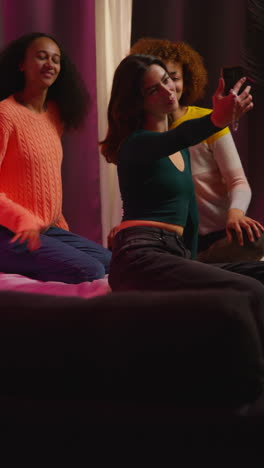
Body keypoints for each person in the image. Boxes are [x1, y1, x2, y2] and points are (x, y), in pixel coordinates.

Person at [100, 54, 264, 339]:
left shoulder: (180, 150)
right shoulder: (135, 145)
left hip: (175, 253)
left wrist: (195, 266)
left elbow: (191, 216)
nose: (168, 91)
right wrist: (215, 119)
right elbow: (175, 138)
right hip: (140, 256)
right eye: (153, 90)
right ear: (137, 101)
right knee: (250, 291)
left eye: (167, 80)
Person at [129, 38, 264, 262]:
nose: (168, 88)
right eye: (158, 83)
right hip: (173, 240)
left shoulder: (207, 120)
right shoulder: (142, 135)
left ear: (186, 79)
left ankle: (198, 265)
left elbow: (238, 181)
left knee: (256, 241)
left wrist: (236, 215)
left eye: (173, 78)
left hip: (221, 235)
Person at [0, 32, 111, 284]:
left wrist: (62, 238)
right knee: (89, 271)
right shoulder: (4, 114)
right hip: (9, 232)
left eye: (56, 59)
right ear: (21, 64)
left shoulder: (54, 115)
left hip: (46, 229)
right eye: (41, 57)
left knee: (110, 262)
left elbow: (44, 184)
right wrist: (21, 218)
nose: (50, 64)